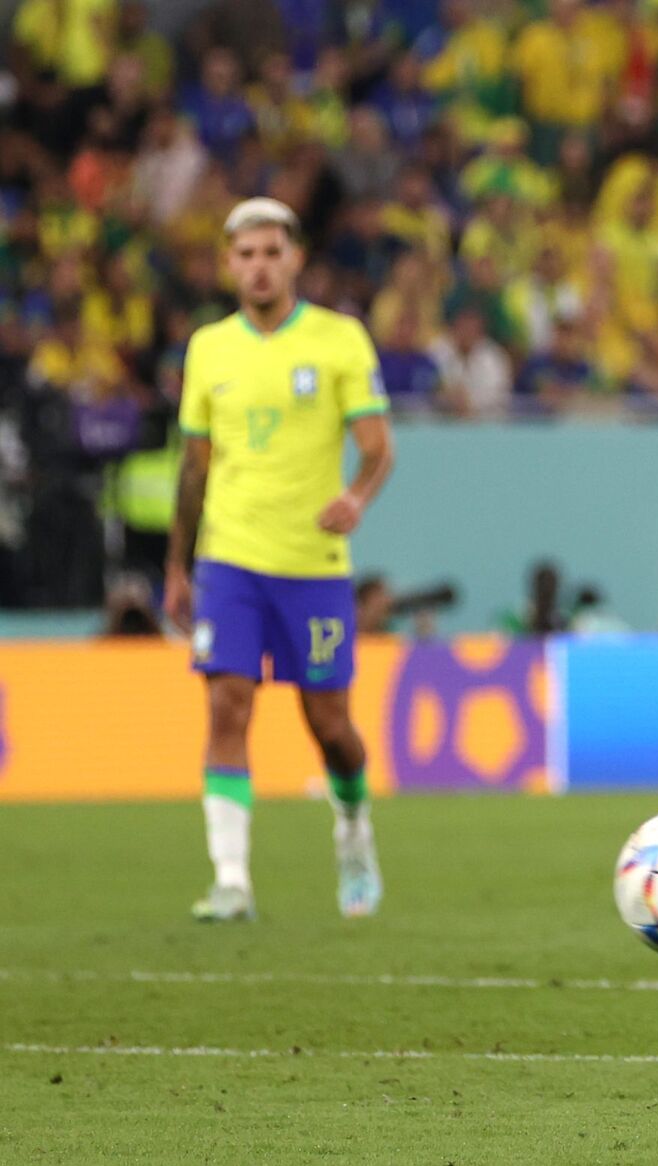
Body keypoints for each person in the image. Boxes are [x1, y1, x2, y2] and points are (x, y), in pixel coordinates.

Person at [163, 198, 395, 923]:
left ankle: (353, 825)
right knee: (227, 703)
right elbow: (194, 467)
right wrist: (176, 564)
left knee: (330, 724)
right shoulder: (209, 349)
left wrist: (357, 496)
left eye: (272, 252)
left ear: (295, 259)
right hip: (228, 559)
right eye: (245, 254)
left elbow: (379, 446)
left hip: (313, 564)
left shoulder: (338, 340)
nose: (259, 266)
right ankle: (232, 879)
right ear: (228, 263)